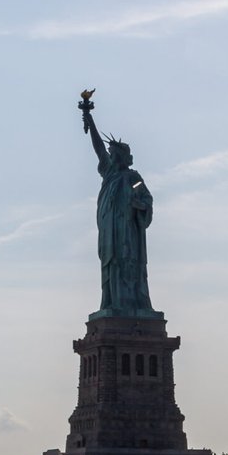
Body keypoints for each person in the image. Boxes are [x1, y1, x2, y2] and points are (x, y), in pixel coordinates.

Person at [81, 101, 154, 314]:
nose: (110, 156)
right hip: (109, 230)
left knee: (127, 265)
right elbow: (98, 148)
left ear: (121, 156)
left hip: (128, 233)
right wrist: (88, 117)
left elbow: (145, 198)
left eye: (113, 154)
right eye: (110, 154)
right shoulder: (109, 173)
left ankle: (132, 305)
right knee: (110, 266)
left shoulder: (133, 178)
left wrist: (138, 204)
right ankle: (112, 303)